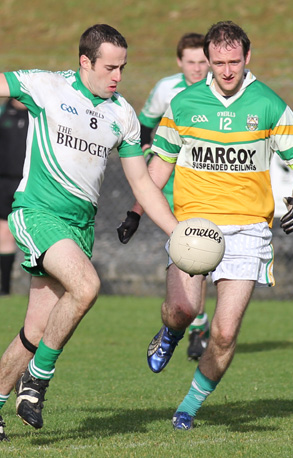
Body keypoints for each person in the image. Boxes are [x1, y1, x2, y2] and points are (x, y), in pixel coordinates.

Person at [0, 24, 178, 441]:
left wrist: (176, 233)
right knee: (87, 285)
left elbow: (143, 185)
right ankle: (37, 382)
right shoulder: (45, 86)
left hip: (79, 227)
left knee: (36, 332)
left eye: (123, 68)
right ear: (85, 62)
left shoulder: (123, 115)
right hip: (37, 213)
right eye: (110, 67)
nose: (117, 76)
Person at [119, 20, 293, 430]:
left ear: (248, 58)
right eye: (219, 62)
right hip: (192, 227)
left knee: (224, 333)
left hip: (248, 230)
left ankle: (188, 406)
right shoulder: (185, 103)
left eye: (234, 62)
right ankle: (170, 333)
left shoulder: (267, 103)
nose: (227, 71)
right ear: (207, 60)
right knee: (182, 310)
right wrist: (136, 211)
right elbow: (159, 166)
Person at [117, 33, 210, 361]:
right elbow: (145, 125)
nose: (198, 68)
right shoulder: (166, 89)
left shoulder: (222, 88)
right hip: (171, 179)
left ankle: (195, 323)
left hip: (207, 182)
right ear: (179, 62)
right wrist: (147, 152)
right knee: (189, 252)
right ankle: (194, 321)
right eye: (191, 62)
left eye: (203, 61)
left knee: (196, 252)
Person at [0, 98, 28, 297]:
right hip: (6, 182)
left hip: (33, 184)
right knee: (5, 232)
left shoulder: (40, 113)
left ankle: (38, 290)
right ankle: (4, 289)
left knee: (36, 235)